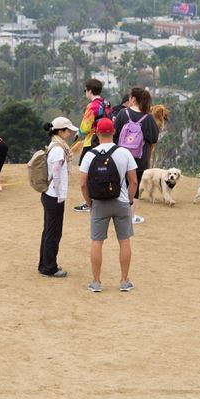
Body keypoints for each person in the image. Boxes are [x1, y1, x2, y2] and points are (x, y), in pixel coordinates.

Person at [79, 118, 138, 293]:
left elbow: (83, 184)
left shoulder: (90, 155)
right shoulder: (125, 153)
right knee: (124, 241)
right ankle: (124, 281)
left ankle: (96, 282)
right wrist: (129, 200)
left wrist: (90, 203)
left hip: (99, 203)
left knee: (97, 242)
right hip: (121, 202)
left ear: (97, 133)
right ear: (114, 132)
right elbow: (133, 181)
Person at [113, 87, 159, 224]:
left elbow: (115, 133)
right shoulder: (148, 118)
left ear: (133, 99)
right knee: (135, 185)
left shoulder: (123, 113)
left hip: (121, 156)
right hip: (139, 159)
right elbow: (154, 138)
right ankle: (131, 217)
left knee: (120, 185)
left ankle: (117, 215)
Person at [39, 117, 79, 277]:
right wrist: (58, 189)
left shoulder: (54, 145)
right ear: (60, 131)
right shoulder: (58, 149)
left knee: (48, 231)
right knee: (54, 232)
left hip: (48, 194)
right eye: (68, 130)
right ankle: (50, 267)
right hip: (54, 195)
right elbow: (56, 171)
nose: (69, 133)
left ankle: (44, 264)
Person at [74, 78, 112, 213]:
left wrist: (78, 133)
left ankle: (89, 201)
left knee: (87, 171)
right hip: (105, 140)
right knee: (102, 170)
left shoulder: (92, 106)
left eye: (85, 90)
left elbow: (85, 127)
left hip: (92, 141)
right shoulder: (107, 103)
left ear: (89, 91)